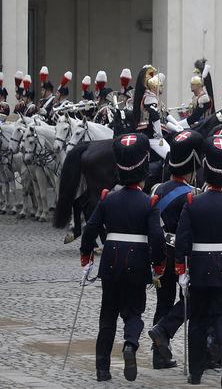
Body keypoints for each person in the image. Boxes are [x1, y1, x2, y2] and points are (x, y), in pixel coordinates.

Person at [79, 133, 166, 382]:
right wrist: (158, 263)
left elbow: (90, 230)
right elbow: (157, 237)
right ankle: (130, 345)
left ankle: (102, 368)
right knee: (134, 312)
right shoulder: (149, 203)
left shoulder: (108, 199)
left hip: (111, 260)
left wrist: (86, 256)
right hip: (138, 261)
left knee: (107, 314)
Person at [175, 134, 222, 387]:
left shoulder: (192, 204)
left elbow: (183, 240)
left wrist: (181, 270)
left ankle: (196, 372)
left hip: (199, 270)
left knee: (197, 319)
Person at [148, 129, 204, 370]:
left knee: (163, 302)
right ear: (191, 168)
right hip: (180, 257)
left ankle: (158, 354)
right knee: (190, 302)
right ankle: (163, 330)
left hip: (159, 254)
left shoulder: (157, 189)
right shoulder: (192, 195)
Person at [132, 65, 170, 159]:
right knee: (170, 156)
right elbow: (154, 116)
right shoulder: (150, 97)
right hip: (151, 133)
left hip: (150, 130)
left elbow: (164, 115)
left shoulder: (149, 96)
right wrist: (159, 134)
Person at [180, 60, 215, 128]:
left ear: (198, 85)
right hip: (195, 125)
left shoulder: (203, 98)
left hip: (203, 127)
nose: (190, 86)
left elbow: (195, 117)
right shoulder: (196, 97)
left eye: (192, 85)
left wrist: (180, 124)